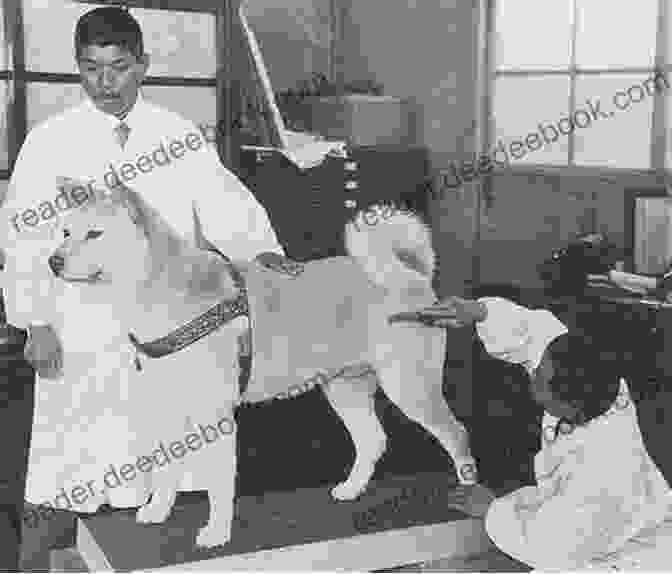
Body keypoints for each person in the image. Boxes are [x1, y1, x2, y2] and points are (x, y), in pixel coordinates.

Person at [0, 6, 295, 570]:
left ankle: (154, 546)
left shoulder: (176, 134)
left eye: (119, 67)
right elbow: (21, 237)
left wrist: (264, 253)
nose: (105, 83)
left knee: (166, 438)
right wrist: (32, 320)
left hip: (167, 318)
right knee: (77, 453)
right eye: (91, 69)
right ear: (76, 69)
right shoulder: (50, 141)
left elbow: (223, 201)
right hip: (78, 320)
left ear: (144, 65)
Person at [416, 295, 672, 571]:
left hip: (625, 552)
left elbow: (550, 544)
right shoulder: (592, 373)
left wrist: (491, 509)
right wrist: (480, 311)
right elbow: (537, 332)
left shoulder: (600, 476)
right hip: (596, 519)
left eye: (539, 377)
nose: (533, 370)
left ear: (568, 408)